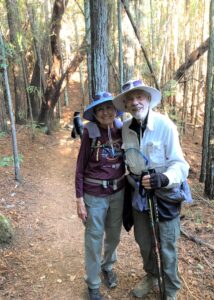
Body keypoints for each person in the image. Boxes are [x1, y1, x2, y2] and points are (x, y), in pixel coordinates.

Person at [113, 79, 190, 300]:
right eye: (130, 99)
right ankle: (152, 276)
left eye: (140, 97)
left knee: (166, 244)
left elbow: (181, 165)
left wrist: (164, 179)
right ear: (126, 105)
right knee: (144, 241)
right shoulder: (126, 128)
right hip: (139, 193)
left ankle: (171, 289)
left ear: (148, 99)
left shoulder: (165, 125)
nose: (135, 102)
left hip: (165, 194)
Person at [75, 91, 125, 300]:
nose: (106, 112)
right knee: (94, 240)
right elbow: (79, 168)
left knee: (113, 236)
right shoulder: (90, 132)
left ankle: (108, 266)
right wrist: (79, 200)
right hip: (94, 195)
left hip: (118, 193)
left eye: (109, 107)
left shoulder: (123, 129)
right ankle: (93, 286)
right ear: (95, 113)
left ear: (115, 110)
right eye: (100, 109)